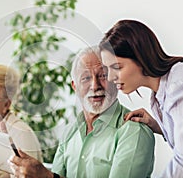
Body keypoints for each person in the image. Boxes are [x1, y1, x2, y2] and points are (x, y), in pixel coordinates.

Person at [9, 46, 155, 178]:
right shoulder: (69, 133)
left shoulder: (134, 131)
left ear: (115, 80)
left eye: (103, 75)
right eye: (85, 78)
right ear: (75, 86)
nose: (95, 85)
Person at [99, 19, 183, 177]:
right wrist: (159, 126)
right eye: (107, 69)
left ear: (141, 58)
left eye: (117, 67)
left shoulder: (180, 82)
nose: (110, 77)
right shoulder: (159, 96)